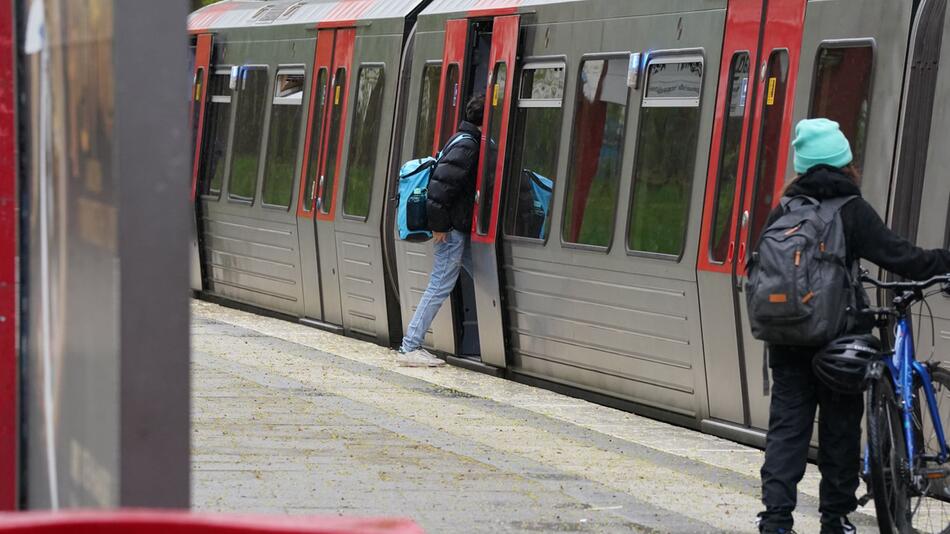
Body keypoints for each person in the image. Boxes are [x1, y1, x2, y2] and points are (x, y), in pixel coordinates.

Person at [756, 118, 950, 534]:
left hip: (786, 338)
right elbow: (903, 258)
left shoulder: (784, 210)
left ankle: (775, 520)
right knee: (839, 429)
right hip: (837, 341)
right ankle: (835, 518)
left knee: (787, 428)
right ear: (845, 162)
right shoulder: (850, 210)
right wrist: (944, 262)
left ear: (803, 166)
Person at [396, 95, 484, 367]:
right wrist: (439, 226)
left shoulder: (462, 139)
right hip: (450, 230)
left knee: (486, 273)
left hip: (455, 228)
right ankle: (410, 346)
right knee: (440, 284)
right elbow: (438, 189)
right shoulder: (468, 146)